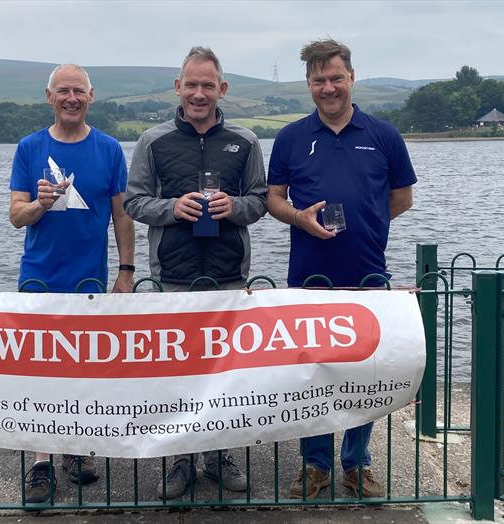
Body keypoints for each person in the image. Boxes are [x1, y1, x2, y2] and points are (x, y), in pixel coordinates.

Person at [267, 38, 416, 499]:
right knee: (310, 374)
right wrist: (299, 219)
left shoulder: (384, 135)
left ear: (351, 78)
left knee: (365, 374)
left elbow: (402, 198)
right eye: (318, 80)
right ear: (308, 85)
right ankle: (315, 467)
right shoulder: (292, 136)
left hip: (369, 275)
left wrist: (367, 222)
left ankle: (356, 465)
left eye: (335, 78)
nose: (328, 88)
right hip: (308, 277)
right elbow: (274, 198)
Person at [124, 46, 267, 499]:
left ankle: (218, 454)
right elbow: (133, 202)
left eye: (208, 85)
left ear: (222, 89)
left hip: (228, 276)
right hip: (173, 277)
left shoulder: (245, 141)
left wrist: (236, 206)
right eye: (192, 85)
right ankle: (179, 458)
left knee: (224, 373)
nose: (199, 93)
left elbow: (261, 200)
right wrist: (172, 207)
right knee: (176, 373)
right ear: (178, 87)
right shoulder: (152, 140)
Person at [9, 63, 135, 503]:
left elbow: (122, 215)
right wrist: (39, 205)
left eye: (78, 91)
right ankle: (41, 463)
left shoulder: (109, 148)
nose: (71, 98)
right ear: (49, 97)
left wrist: (126, 272)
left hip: (90, 282)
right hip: (39, 281)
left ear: (91, 95)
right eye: (63, 91)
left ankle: (78, 451)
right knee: (39, 375)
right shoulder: (29, 148)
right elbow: (15, 216)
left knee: (84, 371)